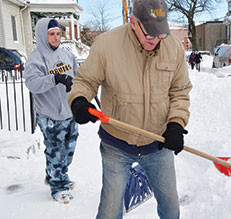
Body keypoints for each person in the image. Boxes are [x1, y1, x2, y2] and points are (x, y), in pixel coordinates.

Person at [68, 0, 192, 218]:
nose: (156, 41)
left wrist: (176, 124)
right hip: (116, 145)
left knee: (171, 208)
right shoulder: (107, 45)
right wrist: (79, 100)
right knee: (109, 211)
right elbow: (85, 81)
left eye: (160, 34)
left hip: (158, 143)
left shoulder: (173, 48)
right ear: (133, 23)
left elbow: (180, 91)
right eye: (150, 35)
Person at [24, 18, 78, 204]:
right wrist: (55, 78)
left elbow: (77, 76)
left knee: (69, 150)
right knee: (56, 151)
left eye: (57, 34)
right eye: (51, 34)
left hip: (69, 111)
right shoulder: (35, 59)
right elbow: (32, 84)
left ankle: (56, 175)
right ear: (42, 35)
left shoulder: (66, 55)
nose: (56, 38)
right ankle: (58, 186)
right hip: (49, 115)